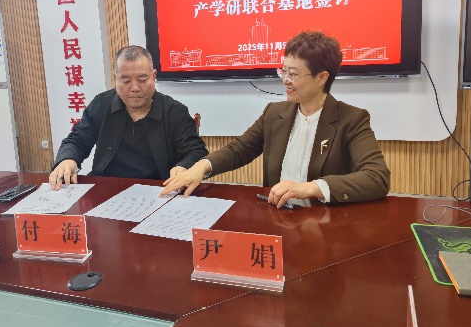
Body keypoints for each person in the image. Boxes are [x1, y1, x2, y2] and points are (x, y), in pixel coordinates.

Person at [161, 30, 390, 207]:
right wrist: (202, 167)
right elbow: (239, 150)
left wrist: (311, 188)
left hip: (324, 224)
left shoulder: (351, 119)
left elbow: (377, 177)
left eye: (294, 74)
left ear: (322, 78)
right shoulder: (274, 113)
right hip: (278, 218)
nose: (285, 80)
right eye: (283, 71)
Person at [49, 45, 207, 190]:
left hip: (159, 190)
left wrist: (184, 166)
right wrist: (67, 159)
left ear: (153, 76)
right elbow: (78, 139)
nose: (135, 88)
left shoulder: (174, 111)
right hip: (107, 188)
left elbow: (196, 151)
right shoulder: (102, 104)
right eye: (126, 81)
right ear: (116, 79)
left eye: (142, 80)